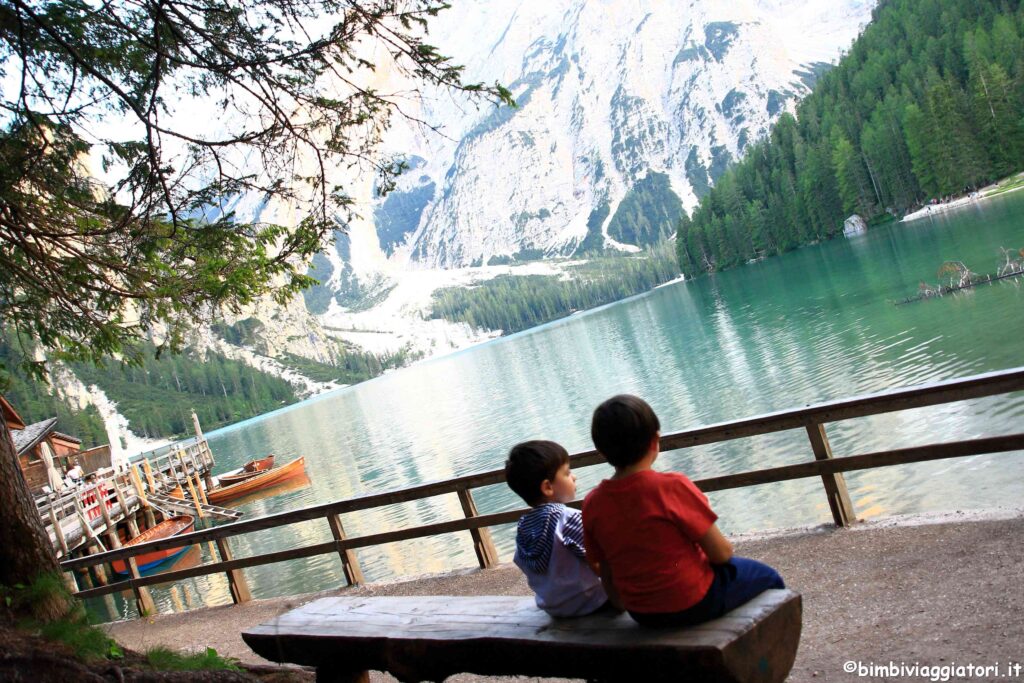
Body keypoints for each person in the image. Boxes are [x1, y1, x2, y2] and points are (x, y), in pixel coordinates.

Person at [582, 395, 784, 627]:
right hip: (694, 602)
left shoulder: (592, 503)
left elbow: (604, 568)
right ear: (655, 440)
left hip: (642, 613)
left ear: (601, 451)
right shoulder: (671, 487)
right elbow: (722, 553)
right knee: (769, 578)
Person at [505, 440, 608, 617]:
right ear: (547, 487)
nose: (574, 477)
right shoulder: (567, 518)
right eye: (567, 473)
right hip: (593, 602)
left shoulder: (523, 527)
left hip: (554, 608)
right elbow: (602, 554)